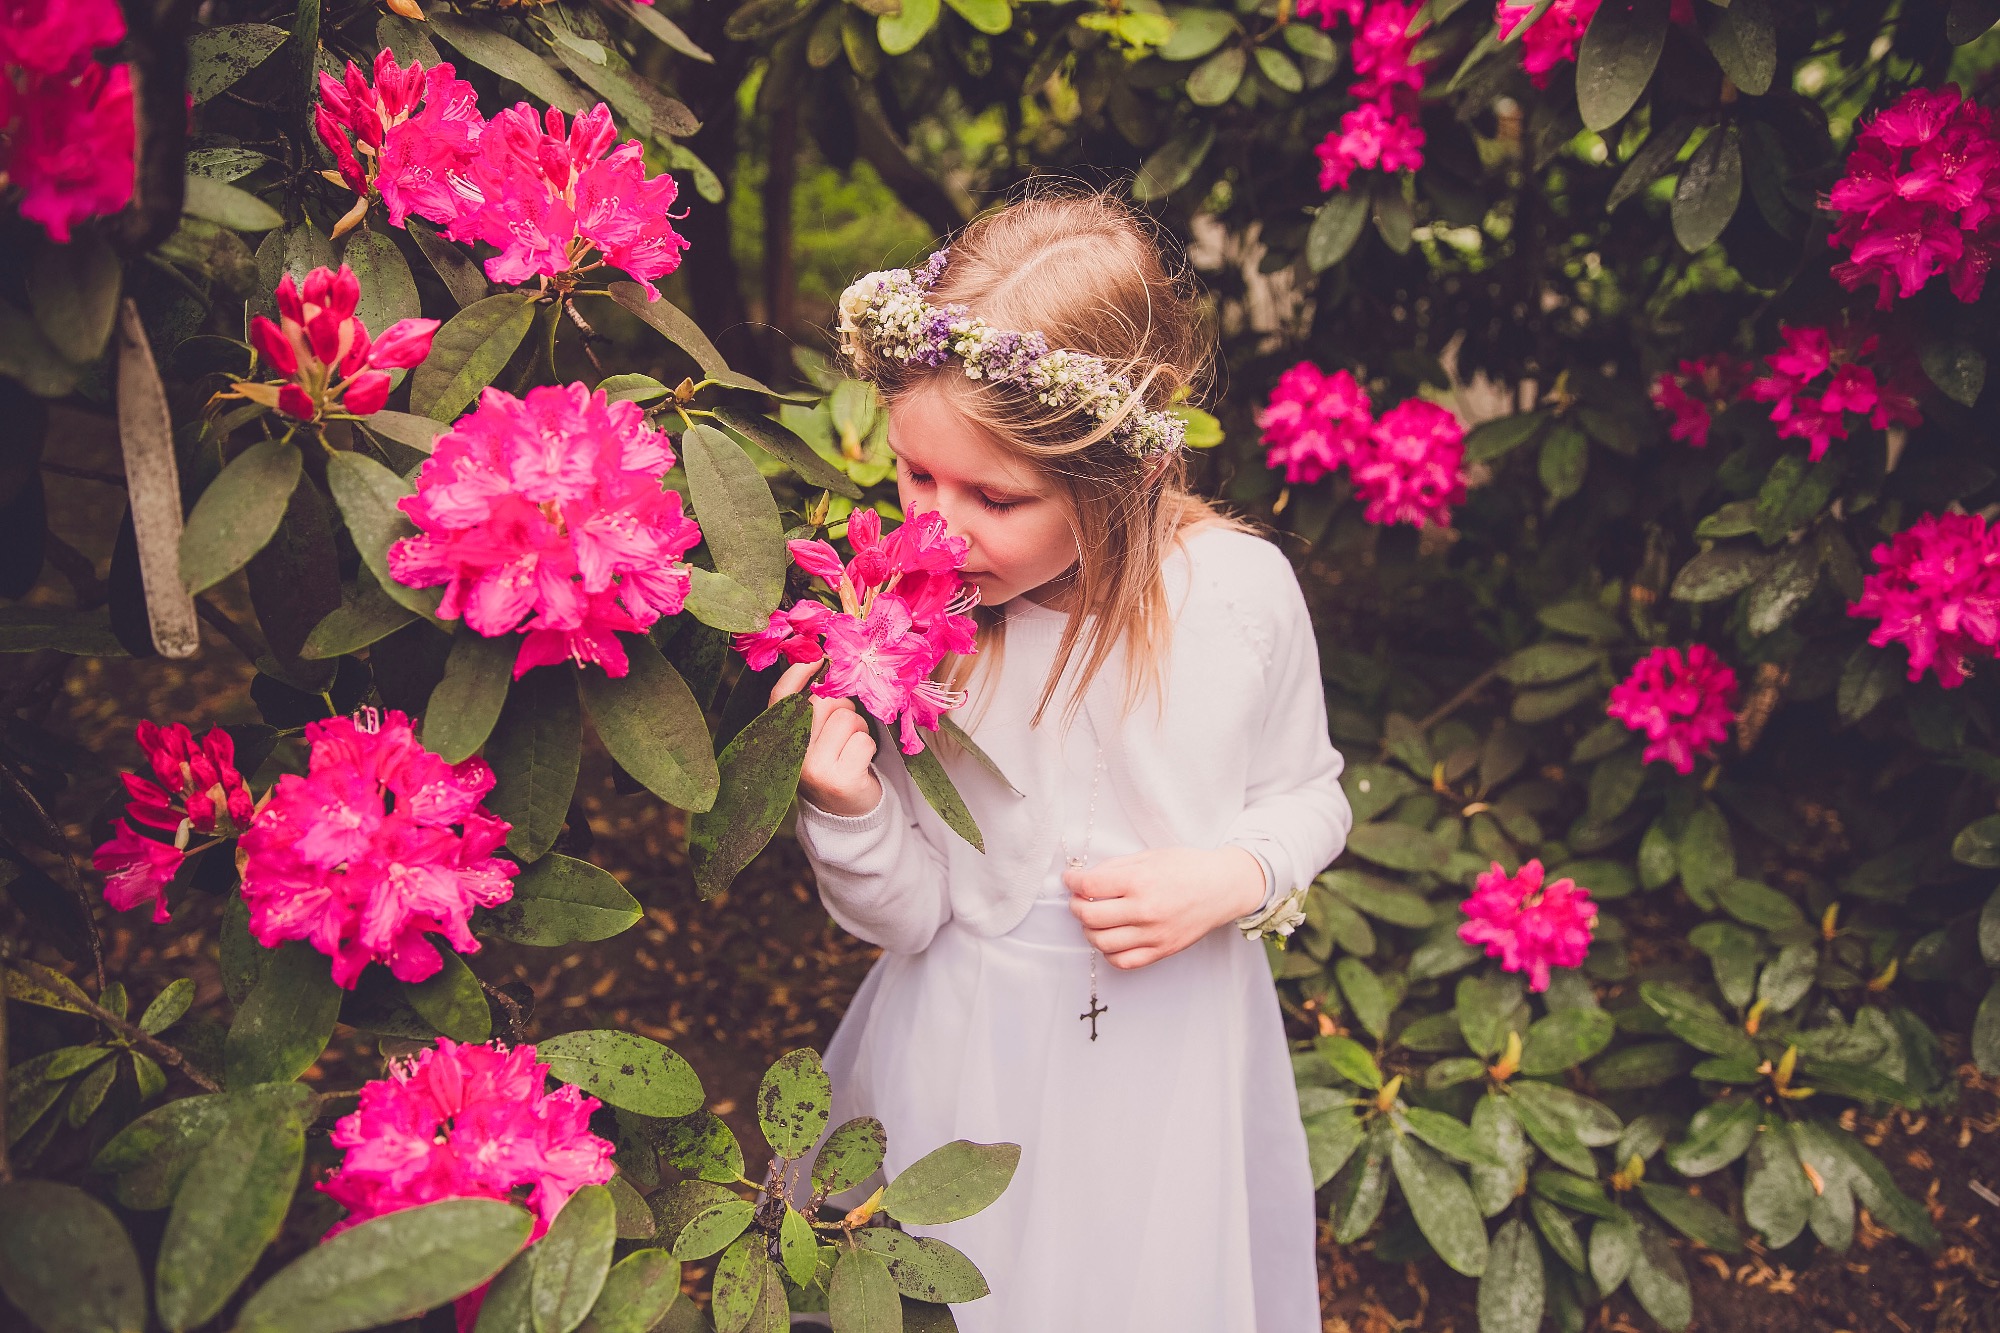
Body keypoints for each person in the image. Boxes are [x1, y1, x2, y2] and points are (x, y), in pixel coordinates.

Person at [769, 189, 1353, 1332]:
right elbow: (910, 915)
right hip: (962, 1039)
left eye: (995, 496)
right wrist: (847, 811)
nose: (936, 528)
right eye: (913, 476)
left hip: (1167, 1052)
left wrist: (1234, 875)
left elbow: (1309, 793)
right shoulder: (920, 620)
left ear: (1121, 474)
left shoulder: (1235, 601)